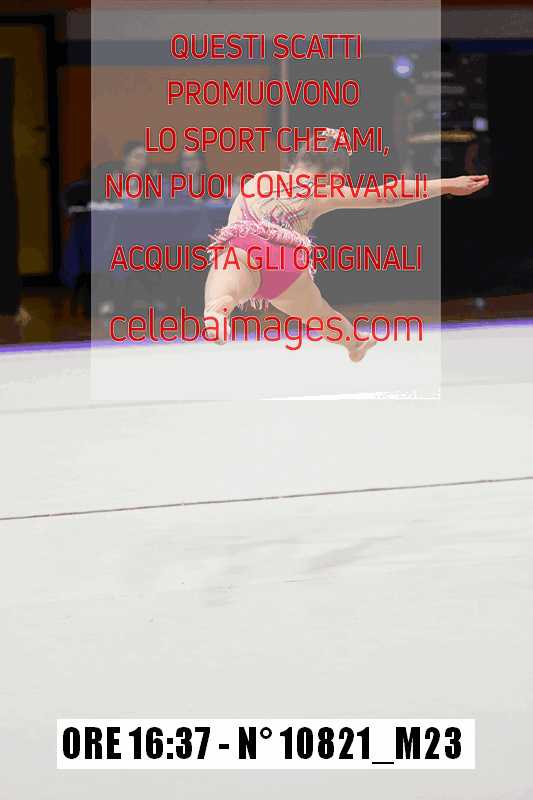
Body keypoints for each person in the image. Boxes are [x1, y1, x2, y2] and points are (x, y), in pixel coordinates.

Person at [203, 128, 489, 361]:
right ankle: (355, 342)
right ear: (335, 176)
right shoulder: (323, 192)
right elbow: (388, 194)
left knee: (227, 282)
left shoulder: (258, 180)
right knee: (319, 312)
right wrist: (448, 184)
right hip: (286, 266)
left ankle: (217, 311)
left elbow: (236, 225)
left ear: (295, 162)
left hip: (247, 245)